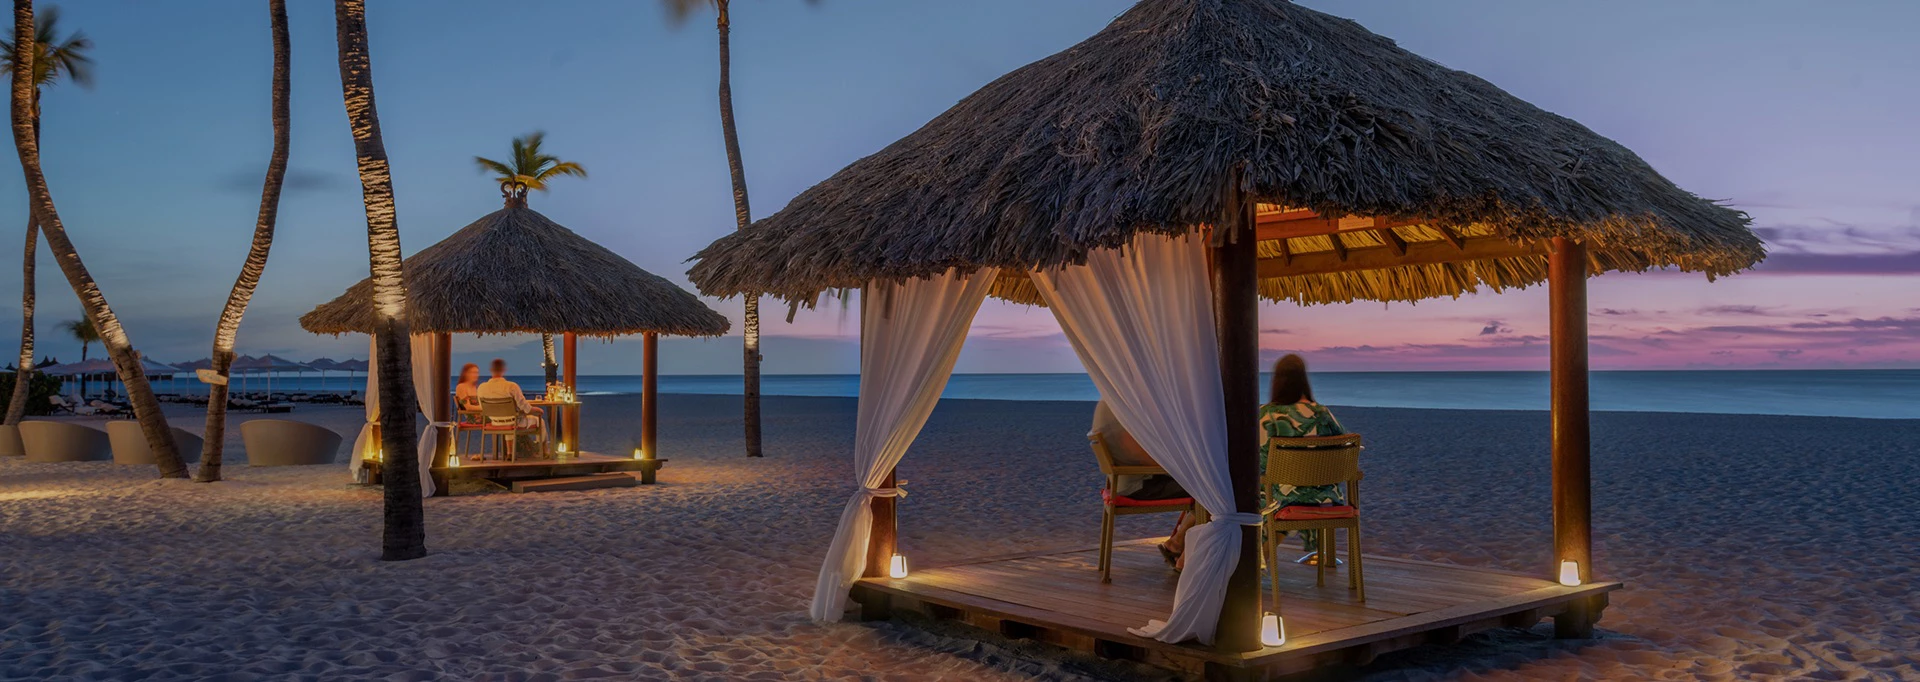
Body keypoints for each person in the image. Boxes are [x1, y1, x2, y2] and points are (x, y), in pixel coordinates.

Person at [1159, 353, 1349, 571]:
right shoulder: (1323, 413)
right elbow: (1343, 444)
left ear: (1277, 382)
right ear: (1304, 381)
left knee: (1220, 491)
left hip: (1279, 497)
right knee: (1257, 490)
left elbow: (1241, 449)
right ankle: (1246, 561)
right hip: (1324, 497)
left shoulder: (1264, 415)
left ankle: (1190, 557)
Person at [1090, 402, 1193, 566]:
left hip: (1121, 482)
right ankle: (1186, 557)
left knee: (1210, 486)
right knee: (1213, 490)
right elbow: (1146, 458)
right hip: (1139, 485)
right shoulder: (1123, 410)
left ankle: (1177, 544)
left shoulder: (1107, 403)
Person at [476, 358, 545, 454]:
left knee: (511, 416)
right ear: (504, 370)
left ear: (491, 370)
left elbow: (482, 407)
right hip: (512, 423)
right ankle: (543, 451)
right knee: (540, 421)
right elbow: (526, 408)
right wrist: (538, 410)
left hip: (495, 422)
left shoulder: (481, 388)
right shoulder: (511, 386)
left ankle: (510, 453)